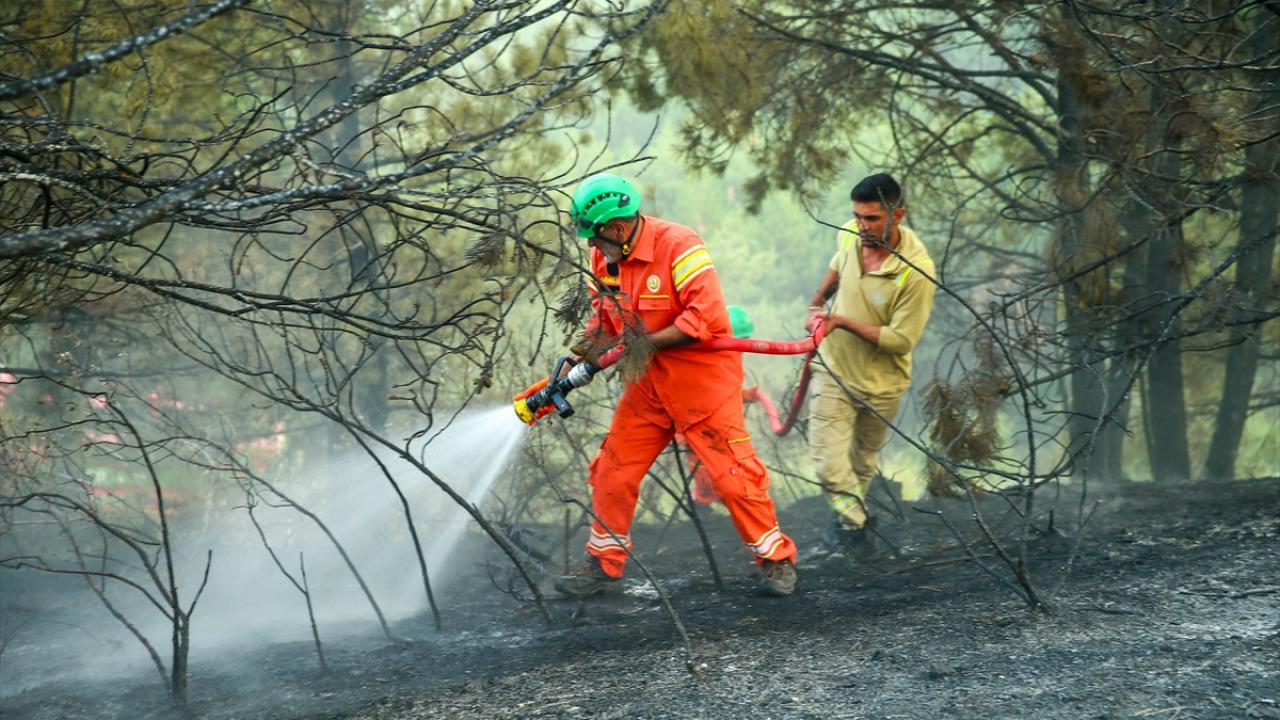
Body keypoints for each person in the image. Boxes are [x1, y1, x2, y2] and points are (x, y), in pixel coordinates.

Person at [554, 173, 799, 597]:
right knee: (613, 469)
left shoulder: (680, 246)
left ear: (617, 228)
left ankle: (776, 561)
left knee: (732, 476)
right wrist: (577, 359)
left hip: (703, 385)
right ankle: (603, 562)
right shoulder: (602, 259)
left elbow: (701, 319)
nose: (591, 244)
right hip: (649, 386)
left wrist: (641, 345)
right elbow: (605, 321)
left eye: (595, 235)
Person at [805, 173, 935, 559]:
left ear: (898, 216)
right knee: (828, 465)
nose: (862, 226)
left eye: (872, 218)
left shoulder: (916, 270)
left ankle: (848, 532)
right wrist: (816, 304)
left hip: (883, 385)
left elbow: (901, 340)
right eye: (858, 216)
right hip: (834, 371)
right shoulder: (850, 235)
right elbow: (836, 265)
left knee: (861, 465)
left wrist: (842, 321)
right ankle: (858, 526)